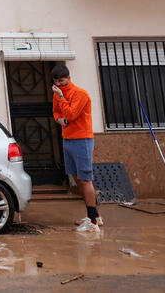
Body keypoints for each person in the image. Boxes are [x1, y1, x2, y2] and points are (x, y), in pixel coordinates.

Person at [51, 64, 101, 232]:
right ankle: (94, 215)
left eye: (63, 81)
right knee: (77, 177)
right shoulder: (58, 94)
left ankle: (93, 221)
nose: (60, 85)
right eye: (57, 82)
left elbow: (71, 114)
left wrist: (60, 97)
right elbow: (56, 113)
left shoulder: (80, 94)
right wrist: (59, 120)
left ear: (69, 78)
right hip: (67, 139)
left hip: (82, 139)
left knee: (85, 178)